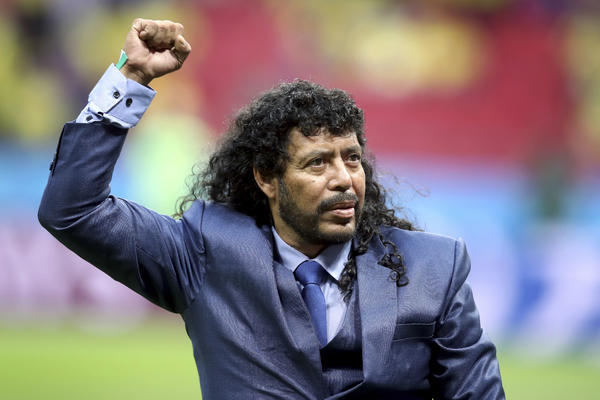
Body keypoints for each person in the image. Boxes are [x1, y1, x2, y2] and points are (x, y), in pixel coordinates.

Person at [38, 18, 504, 399]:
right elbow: (73, 210)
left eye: (352, 158)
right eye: (317, 163)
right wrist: (131, 78)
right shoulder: (204, 253)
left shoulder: (434, 268)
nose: (344, 178)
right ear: (266, 177)